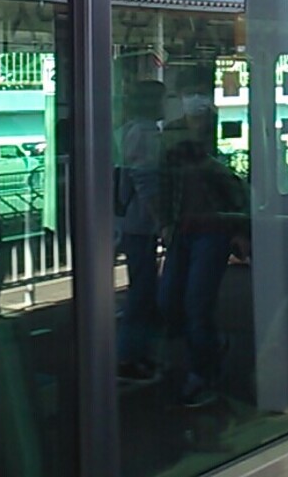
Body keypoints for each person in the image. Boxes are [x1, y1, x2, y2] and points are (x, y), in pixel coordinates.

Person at [157, 71, 249, 408]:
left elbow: (235, 187)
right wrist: (165, 222)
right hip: (183, 230)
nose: (195, 103)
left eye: (200, 95)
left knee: (197, 303)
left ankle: (203, 372)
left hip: (214, 231)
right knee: (169, 300)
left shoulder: (221, 136)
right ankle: (207, 349)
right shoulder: (173, 139)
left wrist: (240, 230)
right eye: (189, 95)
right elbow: (165, 182)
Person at [115, 80, 166, 383]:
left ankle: (136, 353)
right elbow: (146, 183)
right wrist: (163, 220)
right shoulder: (146, 134)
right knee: (141, 292)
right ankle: (128, 357)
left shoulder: (127, 130)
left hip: (128, 221)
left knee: (142, 288)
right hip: (140, 224)